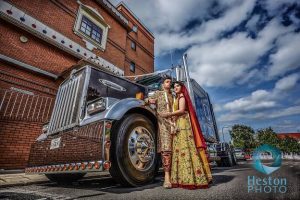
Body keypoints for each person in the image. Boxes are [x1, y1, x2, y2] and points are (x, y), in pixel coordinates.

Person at [160, 81, 212, 189]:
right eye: (174, 87)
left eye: (178, 86)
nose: (175, 88)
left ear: (182, 87)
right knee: (179, 149)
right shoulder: (177, 97)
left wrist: (168, 114)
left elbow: (182, 110)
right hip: (179, 122)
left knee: (185, 148)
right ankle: (184, 178)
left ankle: (191, 178)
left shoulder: (182, 97)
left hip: (183, 123)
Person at [144, 75, 174, 188]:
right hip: (163, 124)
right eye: (167, 82)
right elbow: (145, 100)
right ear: (162, 84)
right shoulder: (158, 93)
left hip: (176, 123)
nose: (169, 84)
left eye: (170, 82)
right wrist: (149, 100)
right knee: (166, 149)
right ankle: (167, 177)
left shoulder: (174, 95)